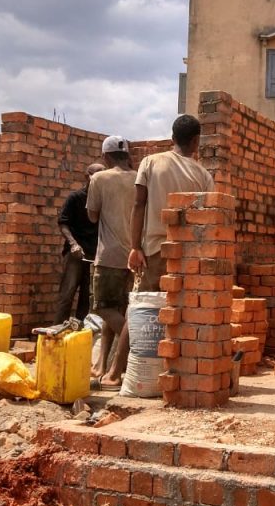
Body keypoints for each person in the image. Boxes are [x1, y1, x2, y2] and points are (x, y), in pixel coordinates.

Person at [127, 114, 214, 290]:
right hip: (188, 254)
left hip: (155, 251)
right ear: (196, 141)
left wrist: (135, 247)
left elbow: (139, 204)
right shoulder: (204, 176)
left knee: (152, 310)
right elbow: (209, 218)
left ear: (173, 138)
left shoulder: (150, 162)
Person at [86, 136, 136, 387]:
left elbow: (93, 216)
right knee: (115, 309)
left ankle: (135, 344)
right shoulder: (138, 178)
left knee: (102, 308)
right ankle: (102, 368)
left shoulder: (99, 179)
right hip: (134, 257)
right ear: (127, 155)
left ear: (105, 157)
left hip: (109, 256)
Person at [53, 163, 103, 324]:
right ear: (86, 176)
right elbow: (63, 223)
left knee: (87, 299)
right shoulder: (75, 198)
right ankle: (56, 333)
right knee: (67, 295)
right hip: (76, 253)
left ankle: (80, 334)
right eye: (95, 177)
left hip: (94, 255)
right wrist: (73, 244)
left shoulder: (103, 200)